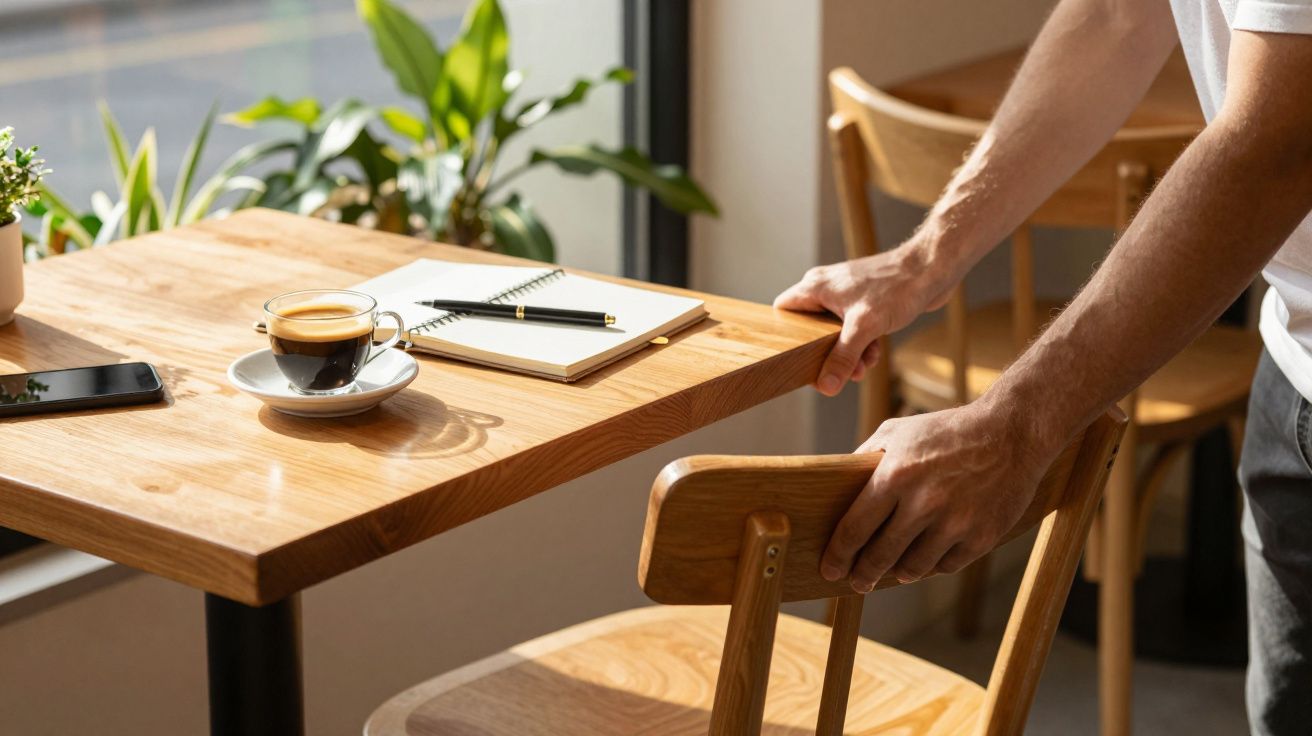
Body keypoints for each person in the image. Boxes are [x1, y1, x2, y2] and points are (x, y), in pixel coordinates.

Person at [774, 1, 1312, 733]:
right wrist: (924, 258)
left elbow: (1276, 145)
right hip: (1295, 360)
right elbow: (1115, 15)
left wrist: (1016, 426)